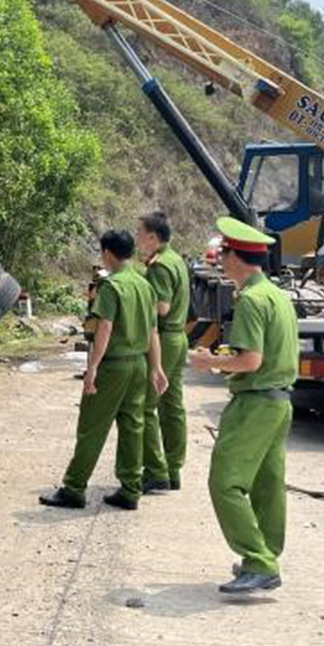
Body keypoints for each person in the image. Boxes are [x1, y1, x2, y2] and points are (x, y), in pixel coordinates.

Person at [190, 217, 298, 594]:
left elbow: (250, 361)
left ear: (237, 258)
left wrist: (209, 362)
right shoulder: (276, 296)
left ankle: (261, 562)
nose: (220, 259)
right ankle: (263, 557)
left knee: (225, 482)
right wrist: (225, 356)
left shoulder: (252, 300)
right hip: (278, 402)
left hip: (254, 403)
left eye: (224, 253)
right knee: (268, 486)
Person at [41, 230, 168, 511]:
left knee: (92, 427)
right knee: (133, 427)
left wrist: (92, 369)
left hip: (114, 367)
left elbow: (105, 328)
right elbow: (153, 330)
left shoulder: (112, 287)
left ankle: (74, 489)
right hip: (138, 364)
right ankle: (131, 490)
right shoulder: (144, 284)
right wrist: (156, 368)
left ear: (108, 253)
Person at [137, 211, 190, 494]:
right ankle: (172, 467)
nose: (137, 239)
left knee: (146, 407)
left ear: (153, 237)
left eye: (140, 234)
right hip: (179, 338)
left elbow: (161, 308)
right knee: (172, 405)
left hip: (164, 338)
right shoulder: (176, 260)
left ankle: (155, 471)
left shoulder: (159, 267)